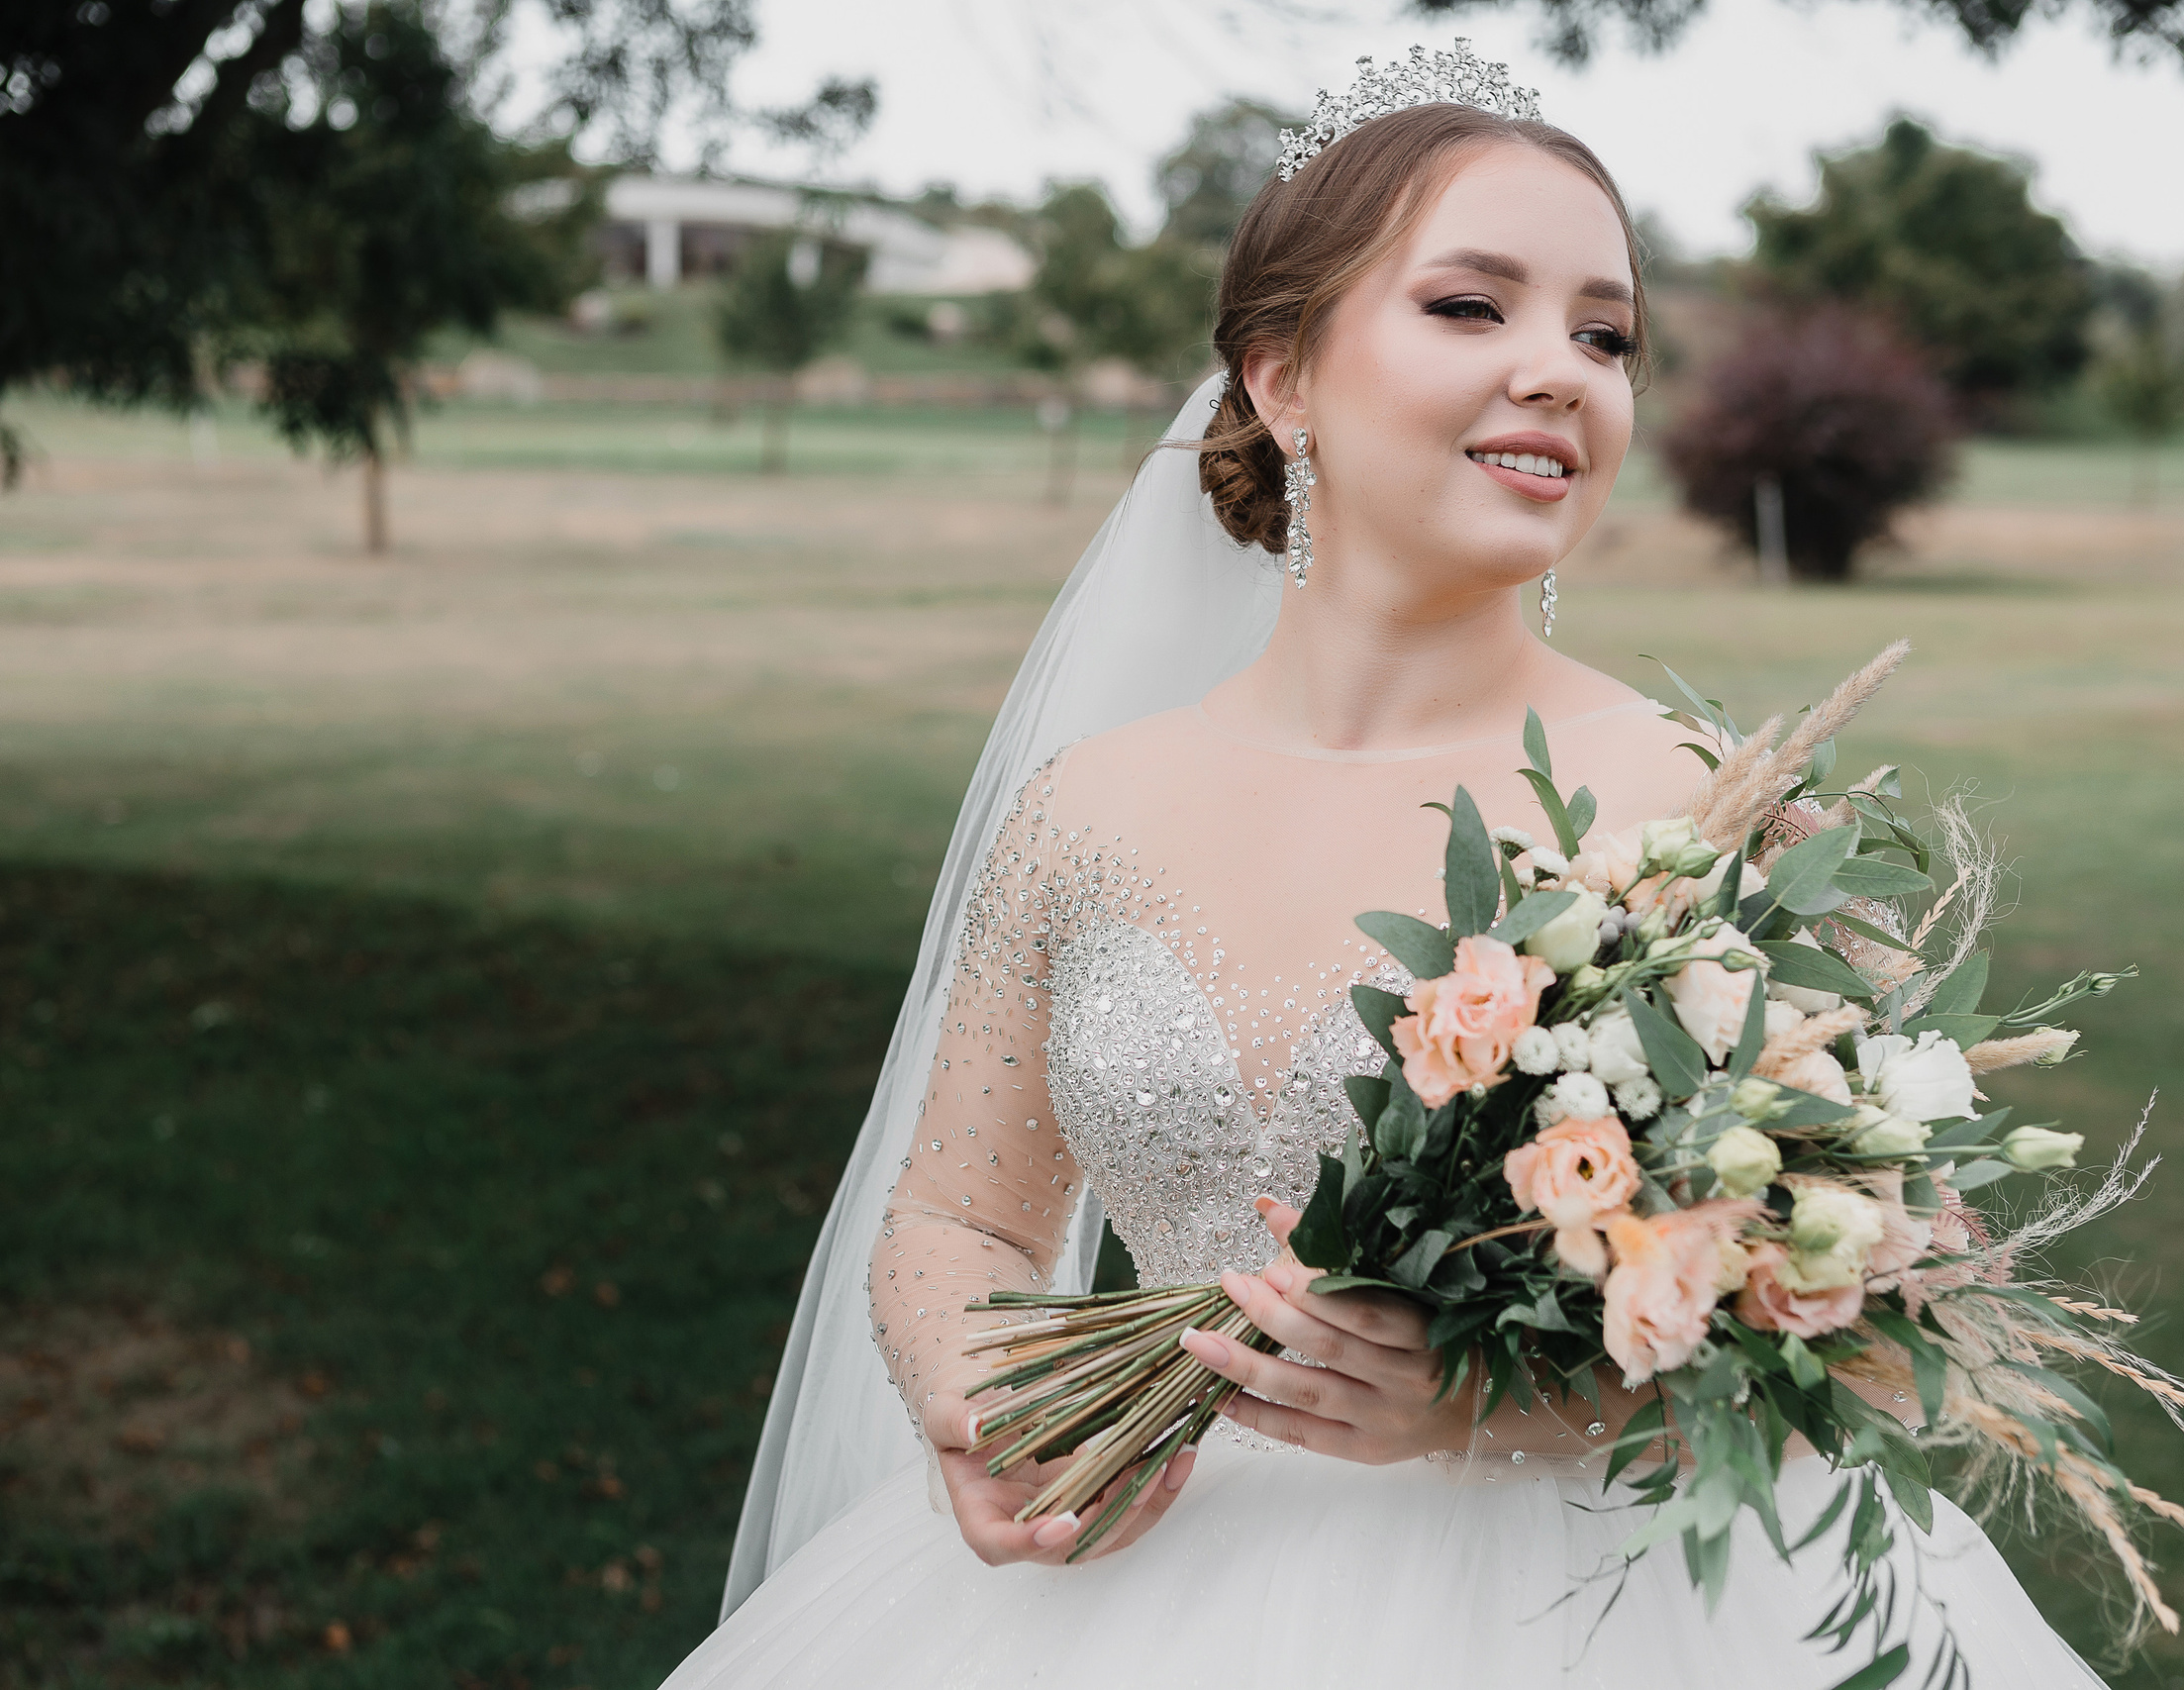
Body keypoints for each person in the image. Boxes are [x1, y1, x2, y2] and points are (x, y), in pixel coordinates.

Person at [664, 56, 2105, 1689]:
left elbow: (1903, 1314)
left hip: (1601, 1616)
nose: (1560, 372)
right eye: (1473, 308)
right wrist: (981, 1392)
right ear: (1283, 375)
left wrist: (1513, 1397)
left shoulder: (1703, 809)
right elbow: (954, 1215)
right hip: (1110, 1599)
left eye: (1606, 334)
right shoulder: (1086, 812)